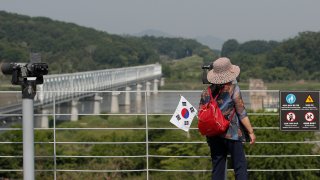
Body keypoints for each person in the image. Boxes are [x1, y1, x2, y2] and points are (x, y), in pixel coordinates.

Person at [199, 57, 256, 180]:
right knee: (240, 166)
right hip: (232, 133)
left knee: (218, 167)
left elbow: (202, 113)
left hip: (213, 134)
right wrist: (250, 131)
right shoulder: (233, 89)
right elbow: (241, 112)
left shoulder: (206, 92)